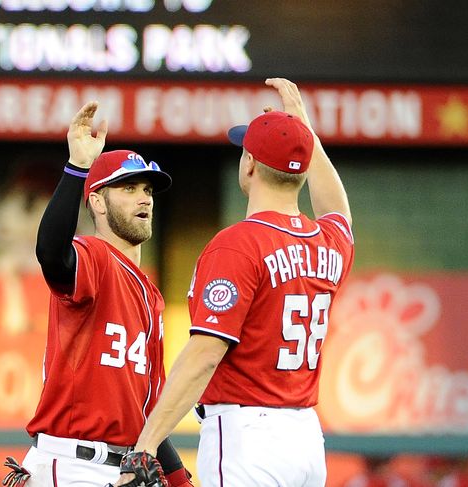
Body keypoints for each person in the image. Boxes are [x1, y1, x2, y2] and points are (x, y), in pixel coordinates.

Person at [113, 78, 355, 487]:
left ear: (250, 165)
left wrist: (146, 444)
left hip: (249, 437)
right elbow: (338, 212)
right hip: (307, 440)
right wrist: (306, 135)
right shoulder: (327, 242)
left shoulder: (239, 244)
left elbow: (206, 353)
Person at [2, 101, 192, 487]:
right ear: (97, 201)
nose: (144, 198)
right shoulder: (94, 256)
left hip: (123, 468)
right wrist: (77, 168)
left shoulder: (152, 297)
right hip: (70, 461)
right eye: (127, 188)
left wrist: (179, 481)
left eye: (147, 189)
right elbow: (51, 255)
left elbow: (149, 411)